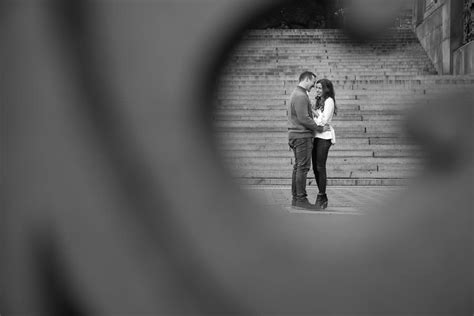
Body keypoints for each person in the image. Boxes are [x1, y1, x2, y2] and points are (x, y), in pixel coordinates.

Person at [287, 71, 329, 210]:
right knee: (303, 168)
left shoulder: (298, 94)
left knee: (298, 167)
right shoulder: (300, 95)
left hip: (297, 135)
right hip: (301, 136)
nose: (313, 86)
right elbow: (303, 118)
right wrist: (319, 128)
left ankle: (296, 198)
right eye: (313, 82)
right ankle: (300, 199)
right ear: (307, 79)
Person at [311, 79, 337, 209]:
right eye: (316, 88)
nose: (318, 90)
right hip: (316, 136)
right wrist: (316, 118)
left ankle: (321, 196)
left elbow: (323, 120)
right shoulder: (319, 100)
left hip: (324, 137)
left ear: (326, 89)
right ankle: (323, 196)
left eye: (320, 88)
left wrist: (312, 112)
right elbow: (316, 121)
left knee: (320, 166)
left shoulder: (329, 101)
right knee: (315, 168)